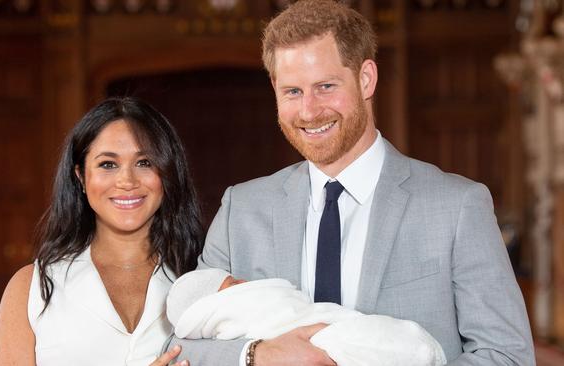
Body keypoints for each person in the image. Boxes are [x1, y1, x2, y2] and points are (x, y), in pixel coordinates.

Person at [171, 0, 535, 365]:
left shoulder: (458, 207)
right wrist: (258, 355)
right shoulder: (241, 211)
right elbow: (180, 347)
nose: (309, 111)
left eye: (325, 86)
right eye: (293, 91)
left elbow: (507, 355)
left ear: (366, 79)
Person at [0, 97, 202, 366]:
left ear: (167, 173)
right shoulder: (30, 289)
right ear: (80, 176)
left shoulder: (201, 277)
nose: (127, 181)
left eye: (145, 162)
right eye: (108, 164)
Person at [166, 268, 446, 366]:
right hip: (325, 336)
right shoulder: (236, 207)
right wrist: (256, 356)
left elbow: (489, 345)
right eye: (232, 283)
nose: (242, 281)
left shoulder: (461, 201)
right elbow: (178, 350)